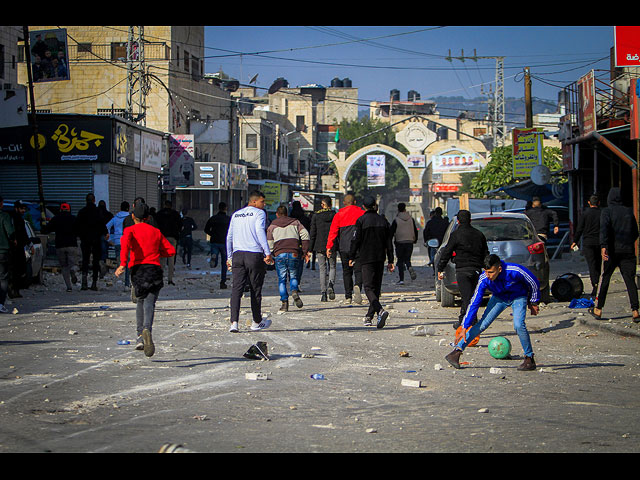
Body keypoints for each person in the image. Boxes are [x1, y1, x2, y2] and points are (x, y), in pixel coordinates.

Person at [444, 254, 540, 371]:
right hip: (499, 298)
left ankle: (529, 358)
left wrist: (534, 302)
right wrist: (464, 325)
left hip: (518, 297)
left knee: (519, 325)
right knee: (482, 324)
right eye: (486, 271)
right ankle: (456, 352)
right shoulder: (484, 278)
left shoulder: (515, 270)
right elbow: (475, 302)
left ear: (499, 269)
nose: (488, 275)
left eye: (491, 272)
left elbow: (533, 282)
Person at [115, 203, 176, 357]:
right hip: (154, 269)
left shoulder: (129, 230)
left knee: (140, 301)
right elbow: (171, 250)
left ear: (133, 216)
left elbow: (125, 245)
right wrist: (158, 252)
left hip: (138, 270)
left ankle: (140, 337)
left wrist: (122, 264)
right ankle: (147, 329)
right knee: (150, 302)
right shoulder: (155, 231)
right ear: (148, 218)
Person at [226, 191, 274, 333]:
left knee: (236, 289)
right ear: (254, 202)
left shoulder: (236, 214)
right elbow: (260, 231)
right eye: (262, 201)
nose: (264, 205)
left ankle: (234, 323)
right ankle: (256, 321)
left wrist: (229, 257)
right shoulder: (259, 213)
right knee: (255, 289)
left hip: (238, 255)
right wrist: (267, 252)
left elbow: (229, 236)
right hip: (254, 254)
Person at [590, 187, 639, 323]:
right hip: (628, 251)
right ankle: (635, 310)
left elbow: (604, 229)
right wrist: (628, 243)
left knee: (605, 278)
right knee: (630, 281)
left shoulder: (607, 211)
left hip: (611, 251)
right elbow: (635, 232)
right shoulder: (629, 211)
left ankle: (598, 309)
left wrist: (604, 246)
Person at [437, 209, 489, 330]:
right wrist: (487, 268)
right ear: (470, 220)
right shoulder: (479, 234)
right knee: (472, 297)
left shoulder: (455, 235)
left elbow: (447, 252)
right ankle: (465, 320)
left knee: (467, 298)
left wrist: (440, 268)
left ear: (458, 221)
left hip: (462, 271)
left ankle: (468, 323)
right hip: (476, 270)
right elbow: (486, 253)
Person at [349, 195, 395, 328]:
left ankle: (380, 310)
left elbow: (355, 240)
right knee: (376, 288)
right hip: (380, 257)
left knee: (368, 287)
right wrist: (391, 260)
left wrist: (351, 256)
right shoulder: (383, 221)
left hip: (366, 258)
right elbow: (389, 242)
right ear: (375, 205)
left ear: (363, 207)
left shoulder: (361, 220)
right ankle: (369, 316)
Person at [267, 205, 311, 312]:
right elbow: (305, 235)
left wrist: (272, 253)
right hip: (294, 253)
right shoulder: (296, 222)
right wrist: (304, 251)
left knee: (282, 280)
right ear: (287, 213)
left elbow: (269, 243)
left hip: (280, 254)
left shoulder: (272, 226)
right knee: (293, 276)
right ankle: (294, 292)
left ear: (277, 214)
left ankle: (284, 303)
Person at [326, 194, 364, 304]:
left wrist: (329, 247)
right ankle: (357, 285)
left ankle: (348, 296)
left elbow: (333, 232)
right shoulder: (362, 213)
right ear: (355, 202)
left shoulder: (339, 215)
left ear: (344, 203)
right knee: (358, 270)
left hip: (344, 247)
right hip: (358, 247)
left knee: (347, 272)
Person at [41, 203, 79, 292]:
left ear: (60, 210)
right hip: (72, 245)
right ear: (69, 210)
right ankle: (73, 270)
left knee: (64, 266)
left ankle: (69, 287)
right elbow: (80, 230)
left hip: (60, 245)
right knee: (73, 263)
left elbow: (46, 230)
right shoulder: (74, 219)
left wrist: (43, 226)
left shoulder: (56, 219)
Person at [75, 193, 108, 291]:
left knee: (85, 259)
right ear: (94, 200)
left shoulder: (82, 212)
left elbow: (77, 225)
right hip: (96, 239)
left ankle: (84, 282)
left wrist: (80, 235)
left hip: (85, 239)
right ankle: (94, 282)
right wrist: (105, 233)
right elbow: (102, 224)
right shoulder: (98, 212)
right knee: (95, 261)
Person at [571, 195, 601, 298]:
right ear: (599, 203)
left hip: (588, 243)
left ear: (589, 202)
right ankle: (599, 283)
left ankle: (595, 284)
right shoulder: (602, 213)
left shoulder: (585, 214)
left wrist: (575, 241)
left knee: (592, 265)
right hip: (600, 242)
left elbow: (580, 228)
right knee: (599, 263)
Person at [309, 196, 337, 302]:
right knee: (332, 267)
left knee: (322, 269)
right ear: (330, 204)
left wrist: (310, 248)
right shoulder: (335, 215)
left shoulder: (316, 216)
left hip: (319, 245)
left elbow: (313, 233)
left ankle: (323, 293)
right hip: (332, 245)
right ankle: (331, 284)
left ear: (322, 204)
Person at [7, 201, 32, 298]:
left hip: (19, 248)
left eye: (24, 209)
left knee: (19, 270)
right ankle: (12, 290)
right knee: (15, 270)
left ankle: (15, 290)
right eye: (21, 209)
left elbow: (24, 234)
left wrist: (29, 244)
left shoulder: (20, 219)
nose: (23, 211)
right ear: (16, 208)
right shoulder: (12, 219)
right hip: (14, 249)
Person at [204, 202, 231, 289]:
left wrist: (212, 234)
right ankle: (223, 281)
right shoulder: (228, 219)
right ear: (225, 208)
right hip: (224, 242)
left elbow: (206, 229)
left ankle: (214, 258)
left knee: (215, 257)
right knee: (224, 263)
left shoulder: (213, 218)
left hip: (215, 241)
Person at [155, 200, 182, 285]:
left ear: (164, 205)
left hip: (162, 238)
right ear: (171, 206)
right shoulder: (175, 214)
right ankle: (170, 279)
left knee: (162, 259)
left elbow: (155, 226)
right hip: (172, 238)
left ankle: (161, 278)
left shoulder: (159, 214)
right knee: (171, 259)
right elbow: (180, 226)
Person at [390, 203, 418, 285]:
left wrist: (389, 242)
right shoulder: (411, 219)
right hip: (409, 242)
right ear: (405, 209)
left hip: (400, 243)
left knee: (400, 260)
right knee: (407, 259)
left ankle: (401, 279)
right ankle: (409, 267)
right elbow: (415, 230)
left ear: (398, 209)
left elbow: (391, 232)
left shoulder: (396, 220)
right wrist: (414, 239)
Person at [106, 202, 131, 290]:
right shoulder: (130, 217)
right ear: (128, 208)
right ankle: (127, 284)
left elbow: (107, 226)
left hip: (117, 241)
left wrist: (109, 239)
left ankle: (120, 273)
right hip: (127, 241)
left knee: (120, 261)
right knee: (128, 262)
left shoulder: (115, 218)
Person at [289, 201, 311, 288]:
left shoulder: (290, 219)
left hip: (291, 244)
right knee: (299, 266)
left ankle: (292, 282)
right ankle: (297, 283)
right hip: (302, 244)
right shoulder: (305, 219)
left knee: (291, 266)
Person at [0, 196, 16, 313]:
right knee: (3, 278)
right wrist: (14, 240)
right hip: (2, 251)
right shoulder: (4, 216)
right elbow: (10, 232)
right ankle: (0, 304)